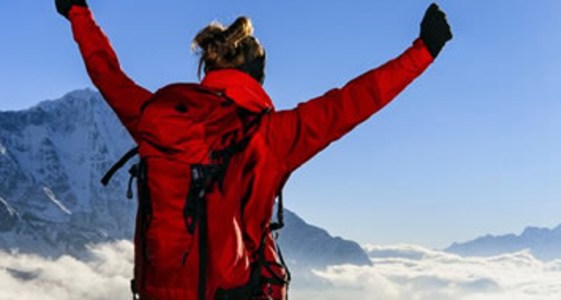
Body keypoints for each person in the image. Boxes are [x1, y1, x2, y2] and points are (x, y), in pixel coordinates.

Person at [55, 1, 452, 299]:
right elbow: (352, 102)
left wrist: (78, 13)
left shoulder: (155, 118)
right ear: (259, 77)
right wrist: (423, 51)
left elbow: (106, 73)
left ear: (208, 72)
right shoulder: (269, 133)